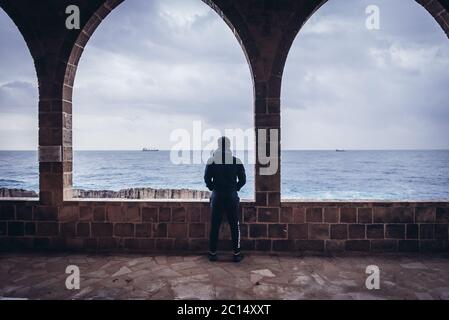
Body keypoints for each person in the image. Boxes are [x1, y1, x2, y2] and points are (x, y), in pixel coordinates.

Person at [204, 136, 246, 263]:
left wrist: (213, 188)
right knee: (234, 225)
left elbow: (207, 179)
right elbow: (243, 180)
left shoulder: (212, 160)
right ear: (228, 146)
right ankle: (236, 254)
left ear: (218, 145)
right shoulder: (236, 161)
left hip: (217, 196)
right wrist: (235, 189)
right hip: (231, 196)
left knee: (215, 225)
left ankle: (212, 253)